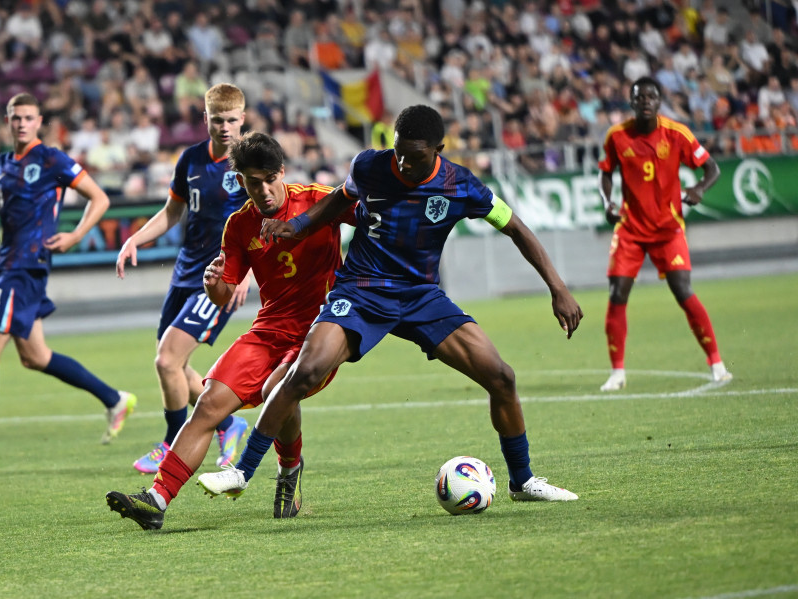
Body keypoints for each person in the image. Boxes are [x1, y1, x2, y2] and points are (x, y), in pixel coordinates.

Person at [198, 104, 584, 508]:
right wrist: (294, 226)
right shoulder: (369, 166)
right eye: (397, 150)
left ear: (438, 149)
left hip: (420, 296)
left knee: (501, 378)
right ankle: (242, 471)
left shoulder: (460, 184)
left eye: (414, 155)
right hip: (361, 290)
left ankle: (521, 481)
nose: (402, 162)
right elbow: (335, 202)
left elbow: (516, 228)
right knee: (304, 371)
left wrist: (558, 288)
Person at [106, 132, 354, 530]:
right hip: (268, 330)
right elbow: (224, 295)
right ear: (241, 182)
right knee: (208, 403)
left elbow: (372, 216)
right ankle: (155, 500)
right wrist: (213, 284)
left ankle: (289, 469)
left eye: (270, 178)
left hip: (321, 330)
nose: (264, 189)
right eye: (253, 183)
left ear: (282, 173)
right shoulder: (239, 226)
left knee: (280, 387)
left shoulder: (318, 199)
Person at [115, 83, 250, 474]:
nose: (225, 128)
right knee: (173, 365)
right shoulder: (190, 159)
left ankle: (172, 445)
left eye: (232, 120)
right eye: (218, 120)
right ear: (205, 119)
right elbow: (172, 212)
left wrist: (244, 276)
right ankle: (228, 423)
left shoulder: (251, 161)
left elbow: (267, 221)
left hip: (218, 277)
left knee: (167, 360)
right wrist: (134, 239)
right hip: (184, 274)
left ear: (242, 119)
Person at [0, 93, 136, 443]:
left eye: (29, 117)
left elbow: (100, 197)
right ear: (8, 120)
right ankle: (114, 399)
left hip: (26, 266)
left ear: (40, 121)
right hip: (8, 261)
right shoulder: (3, 164)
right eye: (16, 118)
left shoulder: (50, 158)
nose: (22, 124)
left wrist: (75, 235)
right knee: (34, 356)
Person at [597, 76, 732, 392]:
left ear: (659, 102)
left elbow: (712, 168)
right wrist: (607, 202)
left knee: (683, 290)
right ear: (631, 103)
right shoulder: (616, 137)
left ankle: (717, 364)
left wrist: (699, 188)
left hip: (668, 229)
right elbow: (605, 173)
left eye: (651, 96)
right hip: (630, 228)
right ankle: (617, 373)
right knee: (617, 293)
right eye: (639, 96)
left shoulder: (677, 133)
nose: (645, 101)